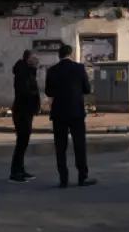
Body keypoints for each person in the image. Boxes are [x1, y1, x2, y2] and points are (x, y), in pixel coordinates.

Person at [44, 44, 96, 188]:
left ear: (59, 56)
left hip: (59, 113)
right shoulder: (79, 68)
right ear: (71, 54)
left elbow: (48, 92)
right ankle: (82, 177)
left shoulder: (52, 70)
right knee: (79, 145)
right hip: (76, 112)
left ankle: (63, 179)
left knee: (60, 147)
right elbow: (87, 88)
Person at [9, 51, 41, 183]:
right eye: (34, 58)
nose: (37, 61)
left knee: (23, 141)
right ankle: (15, 173)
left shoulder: (27, 71)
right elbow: (26, 90)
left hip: (25, 110)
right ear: (28, 59)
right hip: (22, 110)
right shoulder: (23, 72)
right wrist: (34, 97)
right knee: (22, 141)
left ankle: (20, 170)